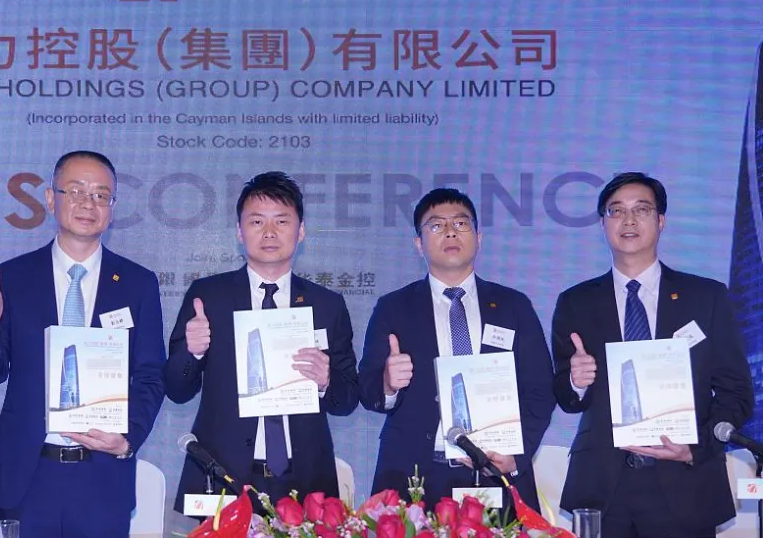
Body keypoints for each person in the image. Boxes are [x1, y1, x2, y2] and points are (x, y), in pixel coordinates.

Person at [0, 150, 165, 538]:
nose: (88, 204)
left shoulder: (138, 283)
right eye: (76, 191)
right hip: (29, 475)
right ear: (50, 198)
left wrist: (126, 439)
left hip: (103, 473)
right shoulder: (13, 277)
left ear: (112, 207)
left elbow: (150, 375)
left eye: (101, 195)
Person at [552, 172, 753, 537]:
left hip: (686, 481)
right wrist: (575, 381)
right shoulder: (576, 301)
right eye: (616, 211)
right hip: (604, 487)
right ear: (602, 224)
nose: (628, 220)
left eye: (641, 210)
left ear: (661, 221)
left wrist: (695, 447)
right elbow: (567, 398)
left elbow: (736, 392)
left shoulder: (706, 297)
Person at [164, 171, 359, 513]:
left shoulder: (326, 304)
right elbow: (177, 390)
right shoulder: (208, 296)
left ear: (301, 231)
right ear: (239, 232)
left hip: (305, 482)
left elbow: (347, 401)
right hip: (222, 477)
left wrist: (327, 380)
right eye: (256, 221)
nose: (269, 232)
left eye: (281, 221)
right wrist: (192, 353)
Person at [358, 188, 555, 512]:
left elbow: (541, 391)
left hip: (494, 472)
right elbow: (368, 392)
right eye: (436, 225)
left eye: (461, 224)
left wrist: (516, 456)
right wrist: (387, 384)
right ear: (419, 244)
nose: (450, 232)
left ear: (478, 237)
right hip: (414, 477)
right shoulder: (393, 308)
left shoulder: (513, 306)